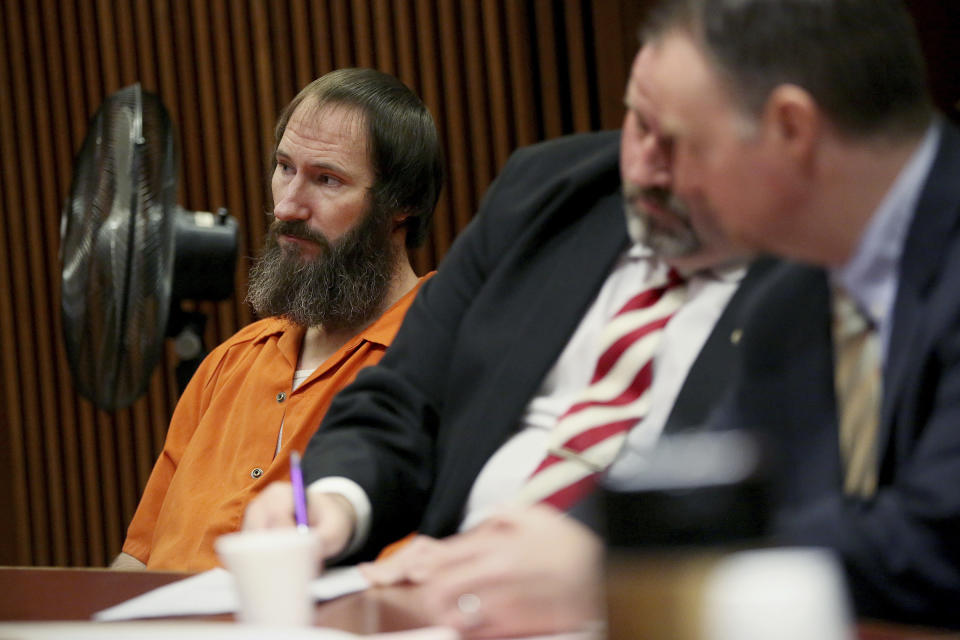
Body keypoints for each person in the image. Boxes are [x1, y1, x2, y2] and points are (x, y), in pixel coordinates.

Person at [245, 27, 769, 619]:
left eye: (680, 144)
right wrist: (333, 503)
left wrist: (607, 565)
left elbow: (827, 511)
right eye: (639, 124)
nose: (644, 167)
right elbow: (400, 401)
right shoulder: (548, 194)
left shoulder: (827, 264)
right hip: (443, 604)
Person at [633, 0, 960, 627]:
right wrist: (562, 545)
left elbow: (938, 545)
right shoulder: (789, 300)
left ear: (791, 127)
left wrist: (634, 554)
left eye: (684, 143)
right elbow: (715, 490)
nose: (672, 179)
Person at [110, 68, 443, 571]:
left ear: (403, 204)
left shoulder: (440, 355)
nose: (287, 207)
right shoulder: (229, 363)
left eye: (326, 179)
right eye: (284, 168)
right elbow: (135, 565)